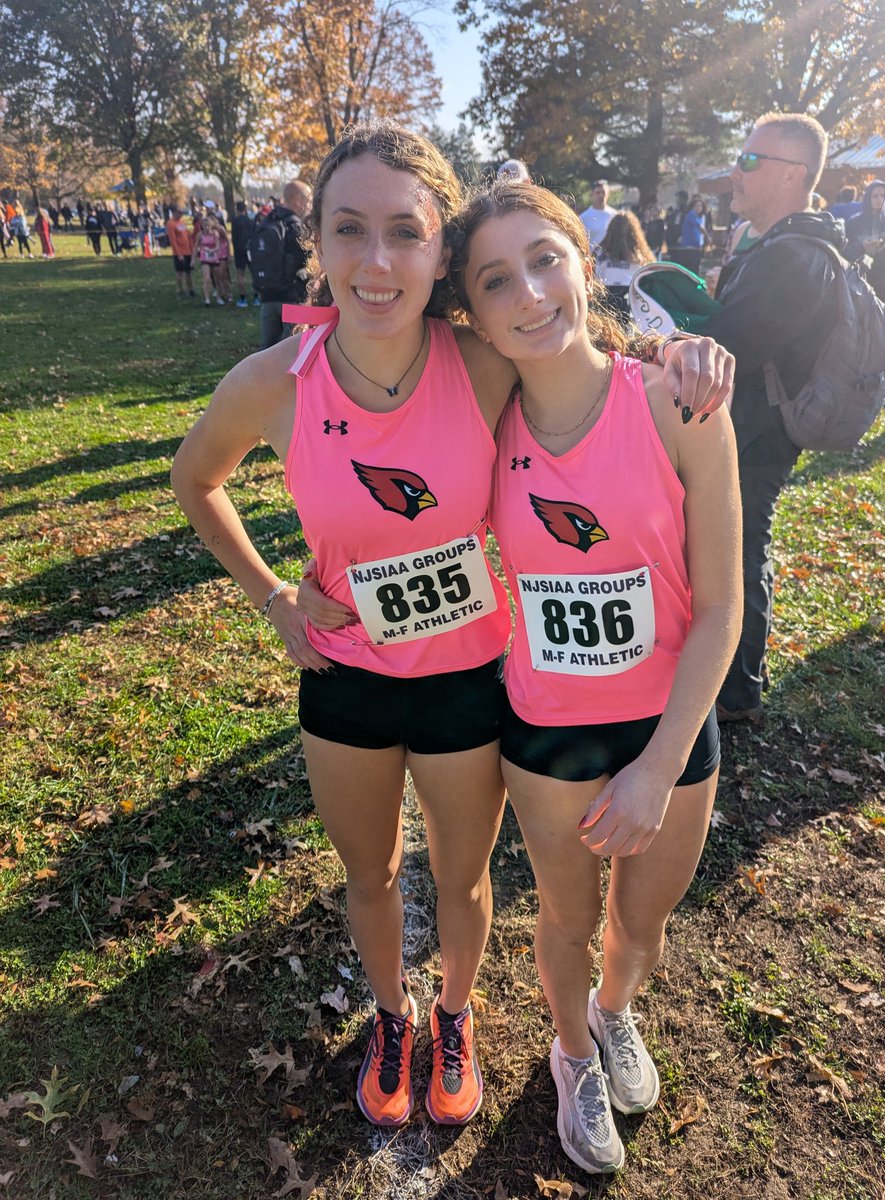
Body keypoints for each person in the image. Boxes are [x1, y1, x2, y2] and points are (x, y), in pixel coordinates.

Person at [172, 120, 733, 1136]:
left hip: (470, 679)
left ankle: (457, 1015)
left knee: (465, 877)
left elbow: (574, 349)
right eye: (349, 229)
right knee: (371, 874)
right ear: (317, 241)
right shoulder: (274, 381)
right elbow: (193, 479)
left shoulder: (479, 361)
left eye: (405, 232)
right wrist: (272, 596)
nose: (375, 260)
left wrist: (677, 350)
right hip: (345, 675)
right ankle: (393, 1017)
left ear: (438, 257)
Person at [444, 178, 741, 1175]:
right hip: (549, 731)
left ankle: (615, 1013)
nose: (530, 293)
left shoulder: (677, 400)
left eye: (545, 260)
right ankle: (572, 1052)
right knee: (567, 919)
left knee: (639, 924)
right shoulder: (480, 427)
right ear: (474, 314)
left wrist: (657, 768)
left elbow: (721, 608)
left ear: (584, 261)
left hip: (670, 726)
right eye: (496, 280)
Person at [699, 112, 839, 723]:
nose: (737, 171)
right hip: (757, 422)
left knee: (741, 547)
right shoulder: (787, 245)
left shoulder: (793, 256)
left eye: (751, 161)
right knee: (741, 544)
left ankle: (736, 692)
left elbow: (731, 342)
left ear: (792, 175)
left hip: (759, 429)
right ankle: (736, 684)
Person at [252, 180, 312, 349]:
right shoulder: (296, 226)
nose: (311, 206)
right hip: (292, 299)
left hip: (267, 297)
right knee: (291, 351)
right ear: (298, 201)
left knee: (267, 351)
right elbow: (309, 262)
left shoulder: (266, 222)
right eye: (309, 200)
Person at [595, 212, 655, 327]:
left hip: (605, 300)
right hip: (631, 302)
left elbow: (596, 276)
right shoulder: (639, 256)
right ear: (633, 232)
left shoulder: (600, 253)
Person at [843, 179, 885, 262]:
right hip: (860, 266)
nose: (879, 199)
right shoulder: (854, 222)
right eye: (875, 196)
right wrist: (862, 246)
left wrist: (884, 245)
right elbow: (844, 251)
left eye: (882, 196)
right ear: (868, 197)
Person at [580, 181, 618, 275]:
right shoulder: (584, 217)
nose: (601, 195)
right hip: (592, 263)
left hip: (611, 263)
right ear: (592, 194)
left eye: (603, 192)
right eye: (598, 193)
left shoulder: (615, 215)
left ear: (608, 194)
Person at [165, 205, 196, 298]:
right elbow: (173, 240)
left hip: (187, 251)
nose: (181, 214)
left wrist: (191, 249)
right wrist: (178, 254)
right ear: (174, 212)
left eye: (182, 212)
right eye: (179, 212)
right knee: (180, 272)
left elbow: (187, 235)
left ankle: (191, 290)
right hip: (180, 252)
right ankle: (180, 290)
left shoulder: (182, 222)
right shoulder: (171, 224)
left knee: (188, 272)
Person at [193, 215, 224, 305]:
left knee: (217, 278)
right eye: (204, 226)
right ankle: (207, 298)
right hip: (205, 257)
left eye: (208, 226)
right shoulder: (200, 235)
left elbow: (218, 246)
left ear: (211, 226)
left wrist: (212, 250)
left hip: (214, 257)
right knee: (207, 278)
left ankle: (219, 297)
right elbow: (195, 246)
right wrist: (193, 259)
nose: (206, 228)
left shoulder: (215, 234)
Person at [231, 200, 255, 307]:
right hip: (250, 249)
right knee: (254, 273)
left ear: (237, 209)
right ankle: (256, 298)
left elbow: (233, 237)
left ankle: (243, 298)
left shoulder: (235, 221)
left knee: (240, 274)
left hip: (239, 250)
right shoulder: (250, 221)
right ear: (245, 209)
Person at [679, 197, 711, 274]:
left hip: (696, 246)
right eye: (696, 205)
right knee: (690, 269)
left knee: (695, 269)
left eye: (700, 206)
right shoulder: (691, 214)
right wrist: (708, 236)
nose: (698, 207)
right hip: (689, 246)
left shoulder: (699, 217)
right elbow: (700, 227)